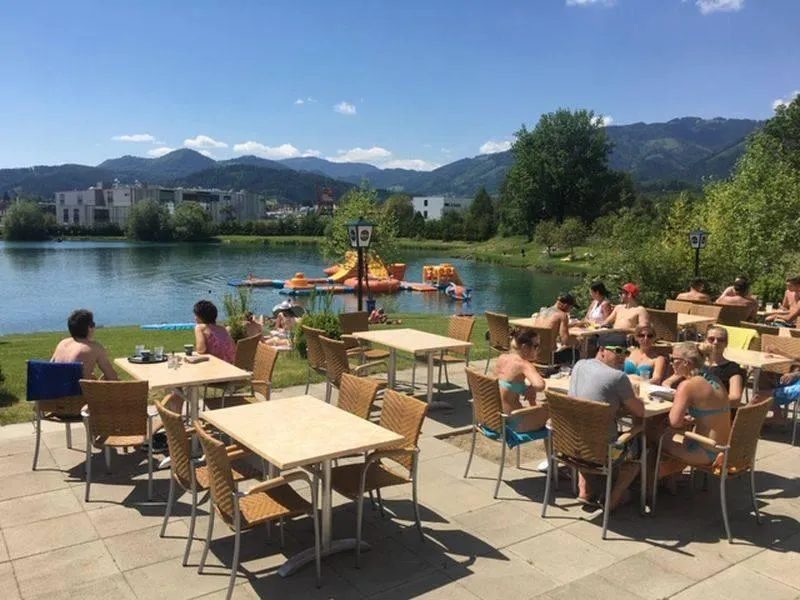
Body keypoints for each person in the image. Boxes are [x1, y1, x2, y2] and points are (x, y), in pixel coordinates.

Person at [568, 333, 645, 510]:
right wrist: (636, 396)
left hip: (571, 444)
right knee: (641, 446)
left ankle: (585, 491)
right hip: (604, 451)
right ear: (602, 350)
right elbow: (640, 411)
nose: (622, 356)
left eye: (626, 352)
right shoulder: (618, 377)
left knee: (586, 427)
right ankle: (613, 498)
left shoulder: (579, 365)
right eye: (617, 350)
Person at [658, 342, 731, 467]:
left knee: (652, 432)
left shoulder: (687, 385)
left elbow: (674, 423)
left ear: (685, 363)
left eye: (673, 359)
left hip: (704, 451)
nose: (671, 363)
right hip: (723, 450)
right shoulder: (714, 379)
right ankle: (666, 475)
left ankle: (650, 475)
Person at [664, 326, 745, 405]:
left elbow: (735, 398)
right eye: (711, 339)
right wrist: (674, 393)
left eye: (721, 340)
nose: (715, 342)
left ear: (726, 344)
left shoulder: (732, 368)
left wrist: (702, 400)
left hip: (714, 410)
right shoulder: (695, 362)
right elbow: (667, 382)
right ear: (705, 341)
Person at [493, 328, 547, 432]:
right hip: (515, 423)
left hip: (496, 419)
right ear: (525, 347)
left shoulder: (502, 358)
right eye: (536, 346)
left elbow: (507, 385)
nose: (539, 349)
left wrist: (526, 388)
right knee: (554, 414)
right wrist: (532, 388)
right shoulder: (523, 365)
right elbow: (540, 386)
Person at [51, 309, 118, 380]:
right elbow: (112, 377)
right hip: (77, 387)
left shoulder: (62, 344)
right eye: (93, 324)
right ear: (89, 328)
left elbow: (50, 368)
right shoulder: (94, 348)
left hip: (56, 386)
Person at [533, 292, 578, 363]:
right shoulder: (562, 315)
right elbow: (565, 341)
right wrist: (577, 339)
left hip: (535, 355)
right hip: (550, 357)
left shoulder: (542, 311)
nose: (570, 310)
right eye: (571, 308)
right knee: (575, 353)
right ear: (566, 305)